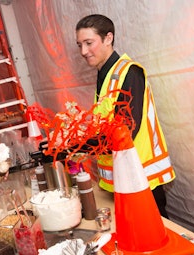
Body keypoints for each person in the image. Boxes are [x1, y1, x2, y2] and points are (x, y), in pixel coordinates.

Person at [75, 14, 175, 218]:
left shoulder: (129, 72)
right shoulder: (104, 74)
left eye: (89, 43)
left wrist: (77, 145)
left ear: (108, 38)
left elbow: (125, 132)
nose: (83, 51)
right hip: (122, 180)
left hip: (142, 179)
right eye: (79, 45)